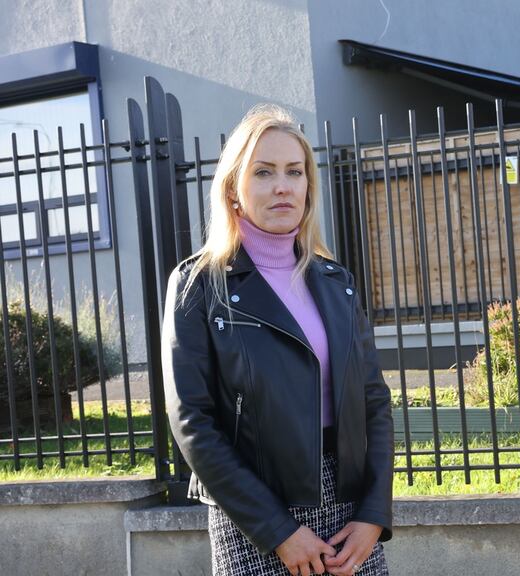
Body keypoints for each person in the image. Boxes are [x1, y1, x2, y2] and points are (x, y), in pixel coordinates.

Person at [162, 104, 393, 576]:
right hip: (254, 515)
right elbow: (192, 422)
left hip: (347, 512)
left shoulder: (335, 281)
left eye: (295, 171)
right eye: (263, 172)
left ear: (309, 186)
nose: (282, 186)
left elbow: (374, 402)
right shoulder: (199, 285)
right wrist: (277, 530)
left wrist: (374, 514)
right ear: (233, 188)